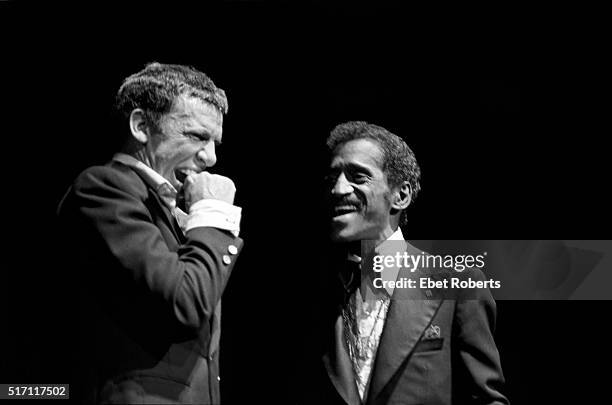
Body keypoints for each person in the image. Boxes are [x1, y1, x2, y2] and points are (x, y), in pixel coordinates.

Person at [57, 62, 243, 404]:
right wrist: (213, 216)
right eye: (197, 136)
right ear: (142, 126)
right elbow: (186, 303)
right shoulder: (104, 188)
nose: (212, 157)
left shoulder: (172, 210)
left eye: (215, 141)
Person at [299, 121, 509, 404]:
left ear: (401, 196)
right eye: (332, 177)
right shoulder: (312, 290)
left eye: (358, 177)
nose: (337, 189)